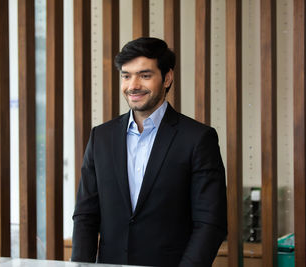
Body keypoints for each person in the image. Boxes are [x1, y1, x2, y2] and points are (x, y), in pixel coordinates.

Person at [71, 37, 227, 267]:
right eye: (126, 75)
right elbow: (85, 215)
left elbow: (210, 221)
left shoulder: (197, 138)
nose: (133, 85)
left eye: (145, 75)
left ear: (167, 78)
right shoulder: (101, 138)